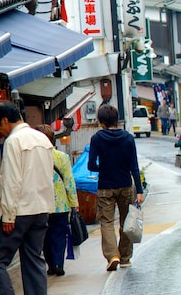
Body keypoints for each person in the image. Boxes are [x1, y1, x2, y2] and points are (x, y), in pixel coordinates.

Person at [0, 102, 55, 295]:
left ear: (5, 120)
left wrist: (8, 215)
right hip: (41, 208)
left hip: (20, 211)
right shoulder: (42, 139)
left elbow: (12, 181)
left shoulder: (13, 141)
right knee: (33, 258)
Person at [88, 104, 144, 272]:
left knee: (106, 222)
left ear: (101, 121)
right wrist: (139, 191)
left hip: (105, 186)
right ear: (116, 120)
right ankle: (125, 257)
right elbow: (134, 166)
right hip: (126, 185)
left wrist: (104, 168)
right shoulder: (128, 138)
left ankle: (112, 255)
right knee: (126, 221)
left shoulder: (97, 139)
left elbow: (91, 165)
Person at [35, 124, 79, 277]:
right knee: (59, 235)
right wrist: (74, 203)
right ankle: (59, 263)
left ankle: (51, 265)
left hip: (42, 205)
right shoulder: (62, 157)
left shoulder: (33, 159)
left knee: (45, 236)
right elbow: (69, 182)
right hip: (61, 205)